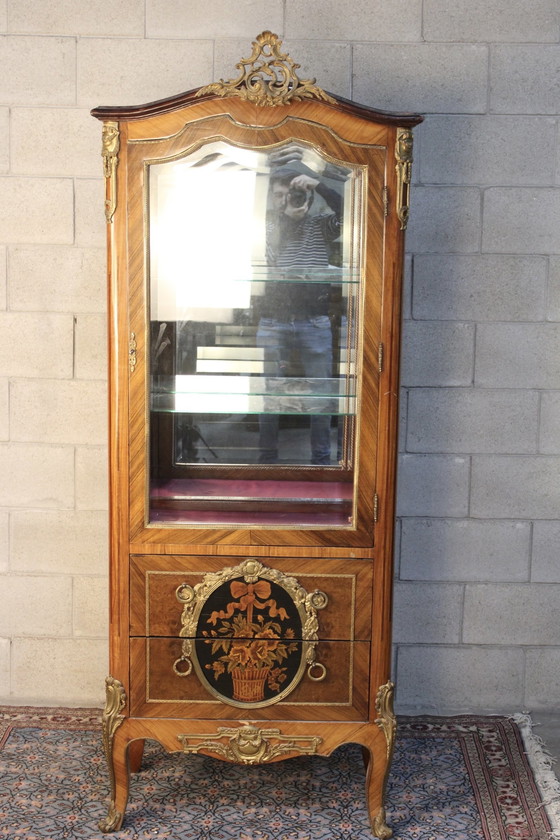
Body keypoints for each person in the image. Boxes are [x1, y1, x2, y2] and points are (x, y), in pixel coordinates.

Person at [256, 167, 342, 465]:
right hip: (274, 318)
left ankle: (321, 459)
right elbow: (273, 250)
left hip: (314, 319)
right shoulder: (268, 225)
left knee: (321, 392)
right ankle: (267, 459)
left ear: (307, 195)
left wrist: (320, 186)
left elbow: (350, 212)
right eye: (279, 195)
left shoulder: (321, 225)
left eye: (293, 194)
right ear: (272, 198)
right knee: (267, 392)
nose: (287, 200)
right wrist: (289, 218)